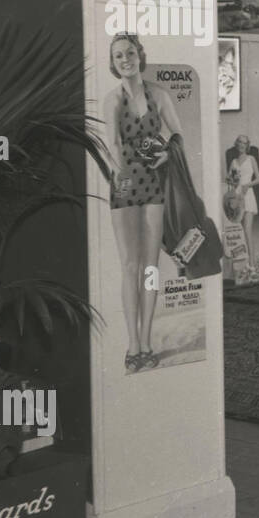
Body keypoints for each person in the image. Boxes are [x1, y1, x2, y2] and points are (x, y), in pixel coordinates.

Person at [104, 34, 183, 372]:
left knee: (150, 267)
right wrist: (123, 175)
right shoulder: (112, 100)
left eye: (130, 52)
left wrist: (165, 152)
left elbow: (178, 136)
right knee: (129, 266)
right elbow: (111, 147)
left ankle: (147, 342)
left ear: (140, 55)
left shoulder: (160, 95)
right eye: (119, 55)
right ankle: (132, 344)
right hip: (124, 184)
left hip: (153, 183)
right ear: (114, 62)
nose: (126, 59)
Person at [227, 134, 259, 272]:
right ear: (237, 144)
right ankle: (248, 262)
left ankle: (252, 264)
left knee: (247, 230)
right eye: (240, 142)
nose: (242, 144)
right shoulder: (233, 162)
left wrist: (248, 185)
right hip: (237, 197)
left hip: (248, 195)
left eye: (244, 143)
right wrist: (231, 183)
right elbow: (230, 181)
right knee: (241, 231)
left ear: (247, 145)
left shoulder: (251, 159)